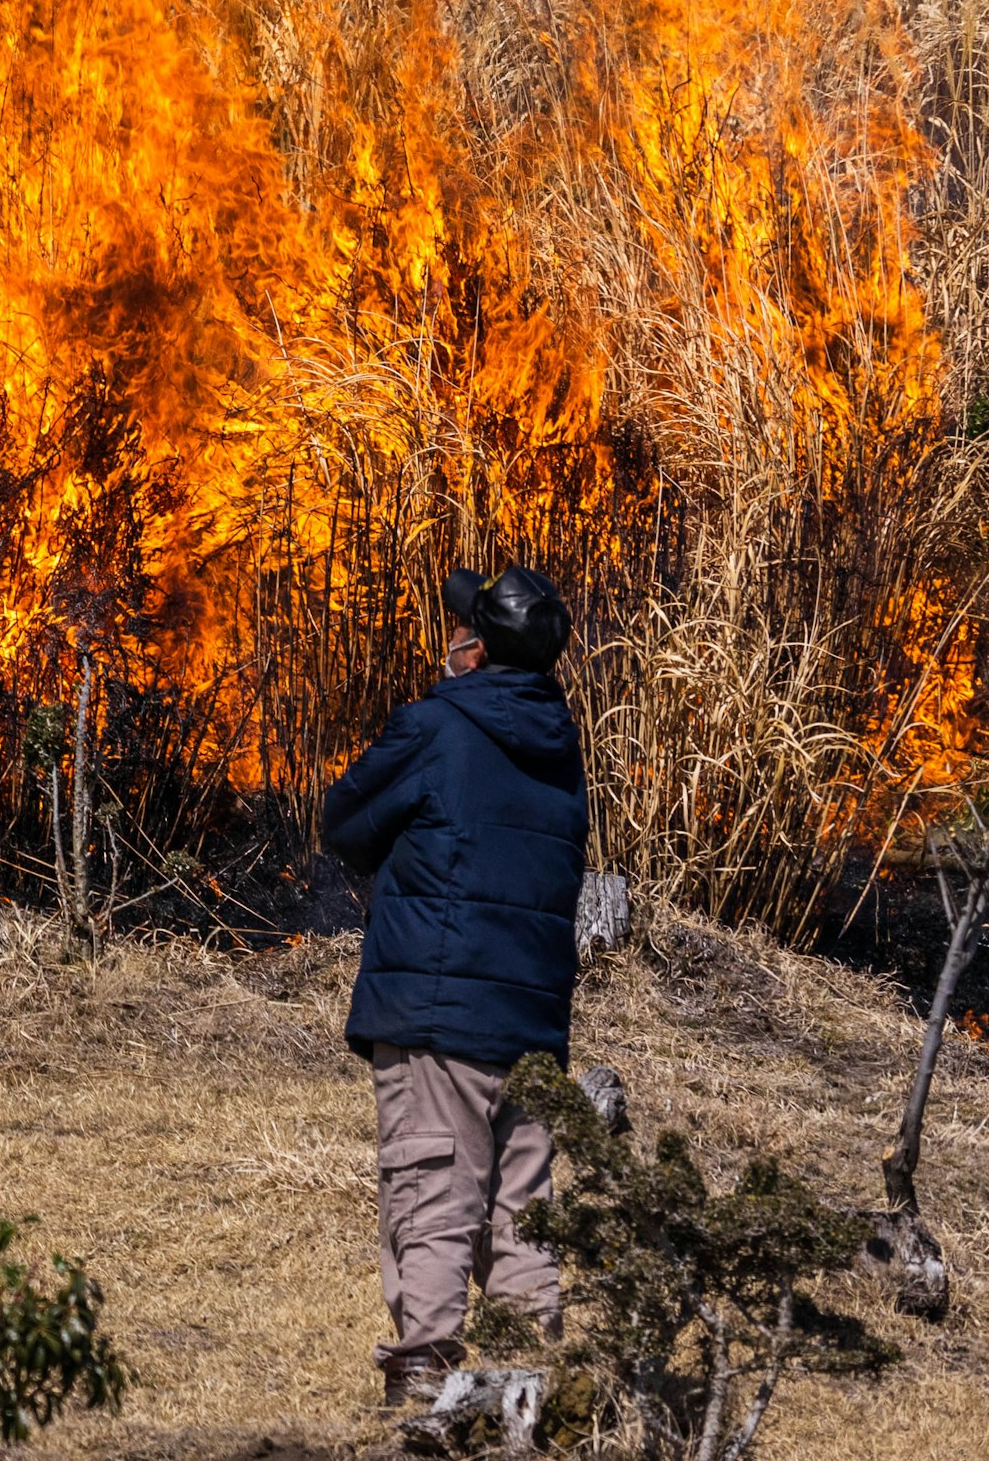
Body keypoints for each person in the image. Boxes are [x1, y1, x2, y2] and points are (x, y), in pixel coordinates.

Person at [319, 565, 587, 1408]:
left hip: (439, 1012)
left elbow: (345, 820)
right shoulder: (562, 745)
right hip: (533, 1023)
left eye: (460, 628)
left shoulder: (436, 727)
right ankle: (525, 1389)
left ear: (476, 653)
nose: (448, 638)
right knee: (521, 1214)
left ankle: (424, 1384)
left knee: (430, 1189)